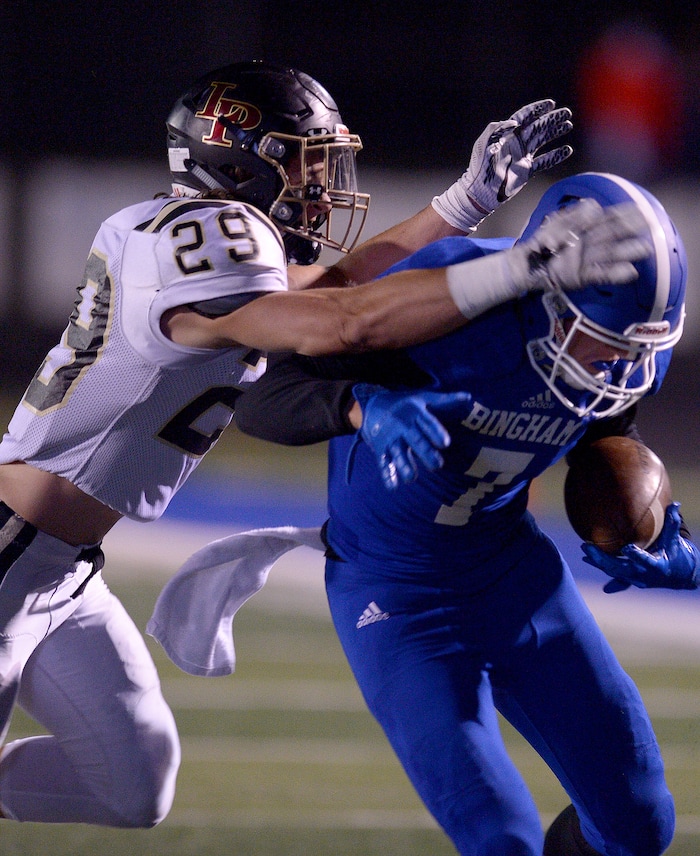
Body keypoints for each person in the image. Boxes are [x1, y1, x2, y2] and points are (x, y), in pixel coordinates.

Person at [0, 57, 618, 827]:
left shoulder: (192, 232)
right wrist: (518, 269)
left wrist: (462, 205)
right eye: (302, 158)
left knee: (132, 785)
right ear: (236, 156)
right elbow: (344, 324)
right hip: (10, 549)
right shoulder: (199, 236)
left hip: (59, 567)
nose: (321, 184)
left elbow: (341, 289)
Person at [220, 172, 698, 855]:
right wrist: (358, 403)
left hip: (511, 574)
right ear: (549, 289)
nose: (620, 365)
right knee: (500, 836)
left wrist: (649, 526)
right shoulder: (450, 299)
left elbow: (606, 431)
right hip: (395, 594)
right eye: (604, 339)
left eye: (637, 347)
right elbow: (263, 394)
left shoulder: (621, 345)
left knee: (640, 826)